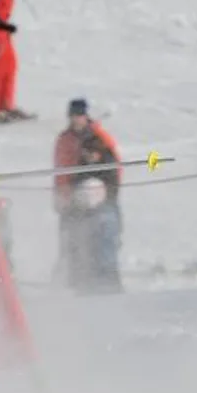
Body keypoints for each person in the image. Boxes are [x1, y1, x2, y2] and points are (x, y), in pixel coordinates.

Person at [53, 97, 123, 294]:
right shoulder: (64, 140)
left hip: (102, 203)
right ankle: (79, 286)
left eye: (80, 115)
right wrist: (62, 197)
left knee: (105, 246)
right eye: (73, 116)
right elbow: (61, 170)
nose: (76, 120)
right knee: (73, 246)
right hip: (72, 202)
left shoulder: (99, 137)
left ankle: (110, 287)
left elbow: (114, 170)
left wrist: (108, 196)